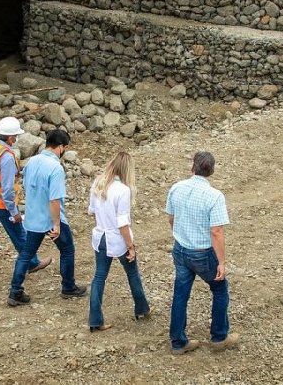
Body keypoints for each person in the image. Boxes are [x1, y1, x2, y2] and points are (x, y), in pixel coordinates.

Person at [165, 151, 239, 355]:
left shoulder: (177, 187)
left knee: (180, 294)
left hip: (180, 249)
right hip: (203, 252)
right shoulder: (214, 196)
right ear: (212, 171)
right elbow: (216, 231)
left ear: (193, 168)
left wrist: (180, 234)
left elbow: (171, 218)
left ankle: (178, 342)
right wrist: (221, 262)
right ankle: (219, 337)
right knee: (220, 288)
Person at [0, 117, 52, 283]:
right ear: (11, 137)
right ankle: (33, 262)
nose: (17, 138)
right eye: (16, 135)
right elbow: (7, 190)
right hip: (2, 205)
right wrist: (14, 212)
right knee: (19, 235)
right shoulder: (7, 157)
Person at [7, 129, 86, 306]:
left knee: (26, 254)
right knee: (67, 251)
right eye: (65, 147)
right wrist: (56, 224)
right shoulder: (55, 168)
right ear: (60, 147)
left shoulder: (31, 162)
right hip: (50, 218)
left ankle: (15, 290)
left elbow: (26, 186)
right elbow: (54, 199)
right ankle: (68, 287)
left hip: (33, 217)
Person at [87, 151, 149, 331]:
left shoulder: (98, 183)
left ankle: (95, 320)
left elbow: (92, 211)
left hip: (100, 236)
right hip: (117, 239)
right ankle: (141, 309)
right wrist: (131, 246)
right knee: (132, 274)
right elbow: (123, 223)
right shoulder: (123, 190)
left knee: (99, 277)